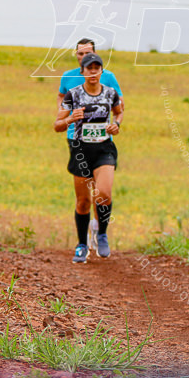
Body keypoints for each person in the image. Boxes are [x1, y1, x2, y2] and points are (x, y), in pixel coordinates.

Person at [54, 53, 123, 263]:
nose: (93, 72)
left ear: (101, 71)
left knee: (104, 194)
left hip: (104, 149)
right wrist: (70, 119)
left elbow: (118, 112)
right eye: (89, 68)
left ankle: (101, 233)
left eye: (97, 68)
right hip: (81, 150)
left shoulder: (110, 93)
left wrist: (116, 125)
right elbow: (57, 124)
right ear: (82, 71)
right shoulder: (73, 95)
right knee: (83, 201)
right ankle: (82, 245)